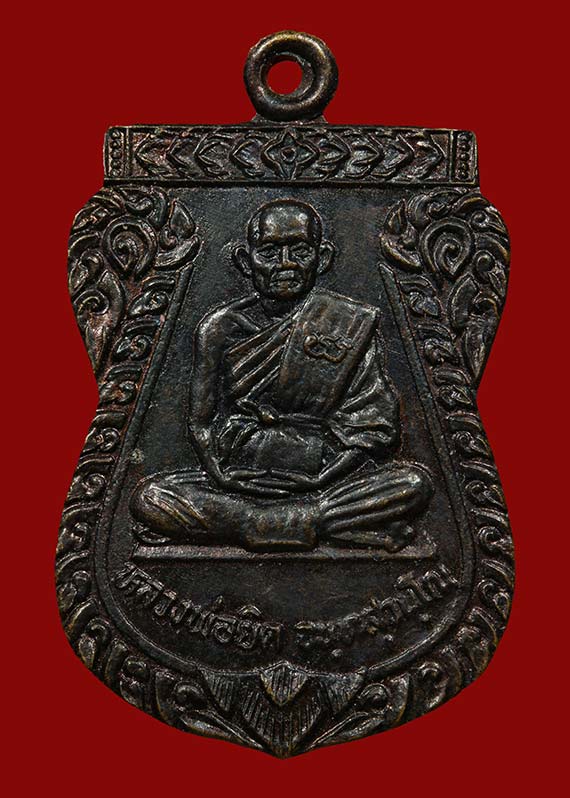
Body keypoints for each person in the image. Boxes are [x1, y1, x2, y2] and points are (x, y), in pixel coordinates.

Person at [131, 200, 432, 552]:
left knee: (413, 483)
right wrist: (221, 475)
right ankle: (315, 522)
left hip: (325, 472)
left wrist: (321, 478)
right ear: (246, 261)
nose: (285, 263)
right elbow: (201, 423)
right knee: (151, 497)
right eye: (270, 252)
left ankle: (257, 523)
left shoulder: (347, 322)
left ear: (322, 258)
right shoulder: (219, 328)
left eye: (300, 251)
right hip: (242, 472)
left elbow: (373, 425)